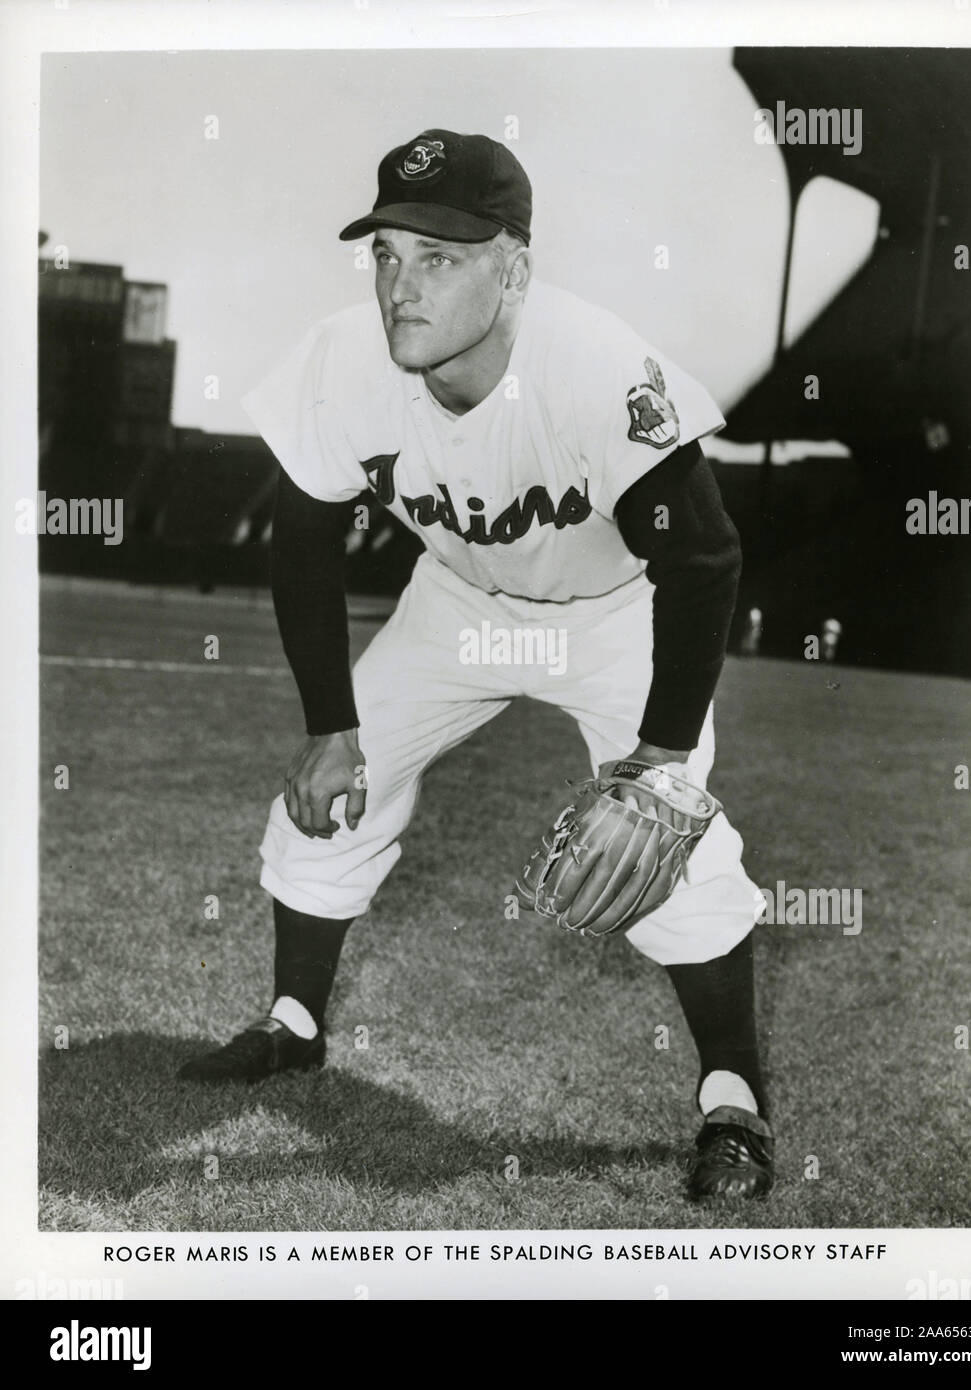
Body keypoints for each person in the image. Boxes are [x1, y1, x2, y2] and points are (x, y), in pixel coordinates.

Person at [179, 129, 774, 1200]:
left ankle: (733, 1100)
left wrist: (659, 755)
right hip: (458, 603)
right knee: (330, 797)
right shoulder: (344, 363)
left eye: (441, 257)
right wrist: (330, 725)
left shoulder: (594, 370)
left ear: (516, 268)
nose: (402, 287)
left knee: (673, 849)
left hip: (612, 617)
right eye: (387, 254)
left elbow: (705, 560)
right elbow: (302, 540)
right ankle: (294, 1024)